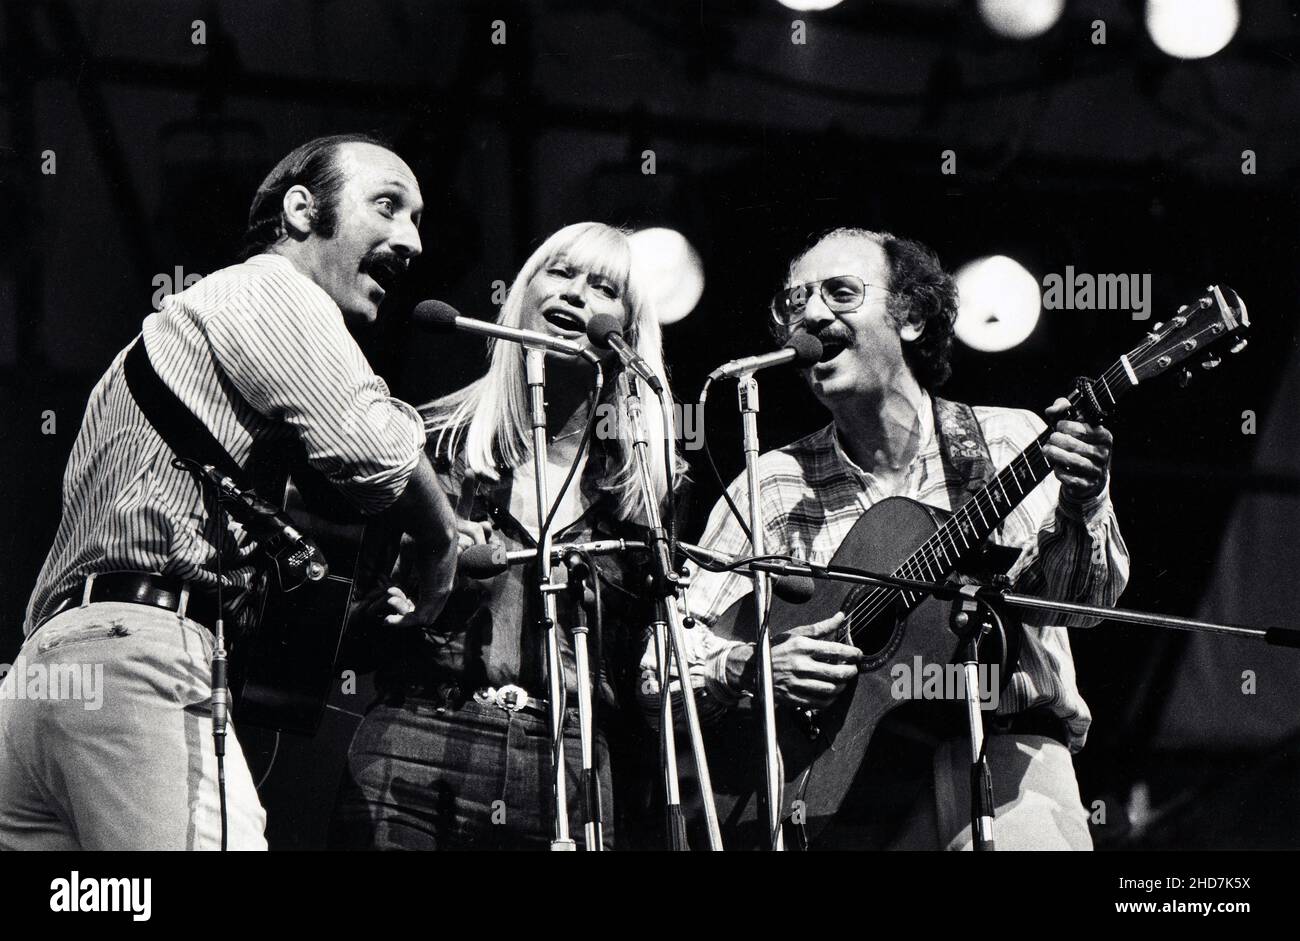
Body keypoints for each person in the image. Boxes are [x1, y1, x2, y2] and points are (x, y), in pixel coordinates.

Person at [0, 134, 458, 850]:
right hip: (136, 666)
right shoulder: (273, 289)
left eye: (419, 219)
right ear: (301, 211)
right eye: (388, 206)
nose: (411, 241)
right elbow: (376, 455)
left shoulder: (170, 337)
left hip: (42, 679)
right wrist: (442, 543)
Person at [664, 227, 1130, 850]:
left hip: (1010, 761)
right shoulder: (772, 485)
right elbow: (659, 663)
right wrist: (750, 666)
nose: (812, 314)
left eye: (840, 292)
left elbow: (1085, 607)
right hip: (840, 791)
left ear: (910, 317)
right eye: (795, 302)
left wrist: (1081, 501)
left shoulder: (1012, 442)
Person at [329, 221, 681, 851]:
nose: (575, 294)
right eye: (560, 272)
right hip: (420, 736)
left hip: (570, 759)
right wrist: (399, 601)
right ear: (522, 293)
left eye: (604, 287)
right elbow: (347, 624)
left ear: (626, 336)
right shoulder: (428, 440)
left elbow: (647, 671)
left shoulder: (646, 491)